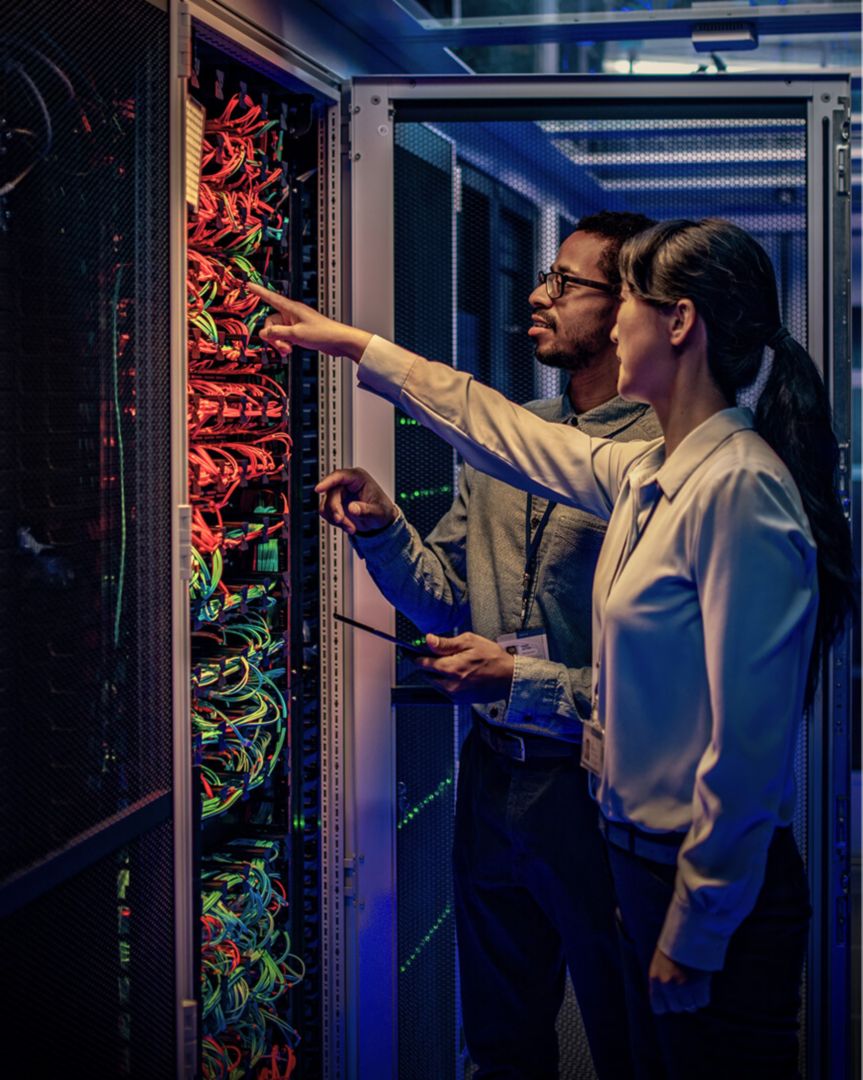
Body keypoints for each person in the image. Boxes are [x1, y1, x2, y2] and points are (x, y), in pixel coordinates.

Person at [249, 217, 855, 1079]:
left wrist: (696, 928)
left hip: (698, 883)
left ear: (678, 322)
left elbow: (749, 750)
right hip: (639, 862)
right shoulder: (652, 475)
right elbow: (494, 427)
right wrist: (355, 347)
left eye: (627, 304)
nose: (611, 327)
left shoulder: (739, 491)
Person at [314, 212, 658, 1080]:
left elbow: (668, 688)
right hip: (494, 776)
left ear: (628, 310)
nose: (538, 296)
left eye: (567, 283)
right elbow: (445, 604)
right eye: (544, 276)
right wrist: (384, 529)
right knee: (501, 1041)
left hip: (598, 787)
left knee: (629, 1036)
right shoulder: (504, 443)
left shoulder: (662, 462)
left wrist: (523, 676)